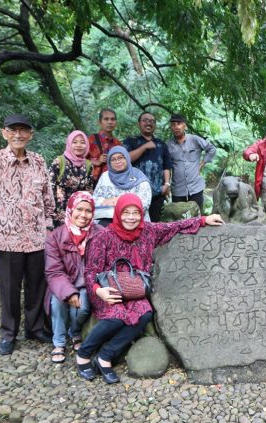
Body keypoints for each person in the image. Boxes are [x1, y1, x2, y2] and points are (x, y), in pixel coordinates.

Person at [76, 194, 224, 383]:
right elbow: (90, 271)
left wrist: (204, 219)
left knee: (144, 313)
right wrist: (98, 291)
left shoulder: (147, 230)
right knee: (116, 316)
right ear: (118, 214)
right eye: (126, 213)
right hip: (108, 289)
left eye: (136, 213)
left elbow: (175, 226)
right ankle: (84, 353)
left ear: (142, 213)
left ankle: (105, 355)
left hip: (135, 289)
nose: (131, 217)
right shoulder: (103, 237)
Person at [0, 114, 56, 355]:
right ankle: (9, 333)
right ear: (4, 133)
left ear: (30, 134)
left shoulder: (39, 161)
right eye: (13, 130)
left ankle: (34, 327)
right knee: (9, 289)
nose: (18, 135)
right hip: (6, 239)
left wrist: (48, 228)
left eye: (23, 130)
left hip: (36, 238)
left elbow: (47, 200)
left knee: (36, 286)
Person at [44, 192, 103, 363]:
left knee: (82, 307)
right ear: (70, 209)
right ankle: (59, 342)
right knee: (57, 303)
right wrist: (69, 292)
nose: (83, 215)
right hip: (61, 283)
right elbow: (53, 271)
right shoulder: (55, 236)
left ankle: (75, 332)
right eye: (79, 209)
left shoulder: (100, 233)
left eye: (88, 211)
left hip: (87, 284)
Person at [123, 112, 173, 222]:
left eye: (152, 121)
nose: (148, 123)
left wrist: (167, 184)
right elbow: (126, 160)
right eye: (145, 120)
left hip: (157, 193)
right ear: (139, 123)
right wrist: (144, 147)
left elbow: (166, 166)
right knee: (134, 223)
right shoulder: (131, 141)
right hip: (134, 192)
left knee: (155, 225)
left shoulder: (161, 144)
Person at [166, 113, 217, 211]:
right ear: (171, 127)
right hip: (177, 189)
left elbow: (212, 149)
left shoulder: (195, 139)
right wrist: (166, 184)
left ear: (184, 125)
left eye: (179, 123)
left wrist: (202, 164)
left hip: (195, 187)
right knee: (179, 217)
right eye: (173, 124)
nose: (176, 127)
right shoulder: (168, 145)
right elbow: (166, 166)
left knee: (196, 217)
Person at [92, 146, 152, 225]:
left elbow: (144, 203)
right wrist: (103, 201)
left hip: (133, 222)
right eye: (113, 159)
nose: (117, 161)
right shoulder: (105, 176)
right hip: (107, 221)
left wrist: (118, 200)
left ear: (127, 158)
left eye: (121, 158)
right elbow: (95, 199)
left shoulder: (139, 176)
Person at [49, 130, 95, 226]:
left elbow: (89, 191)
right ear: (69, 144)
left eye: (82, 142)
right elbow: (49, 189)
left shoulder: (88, 165)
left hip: (80, 215)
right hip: (60, 213)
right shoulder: (59, 162)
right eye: (74, 142)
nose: (78, 145)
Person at [87, 108, 121, 183]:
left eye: (113, 119)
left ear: (116, 122)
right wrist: (97, 161)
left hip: (113, 183)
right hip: (94, 183)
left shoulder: (118, 143)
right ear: (99, 122)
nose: (110, 122)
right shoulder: (91, 140)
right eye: (106, 119)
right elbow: (78, 160)